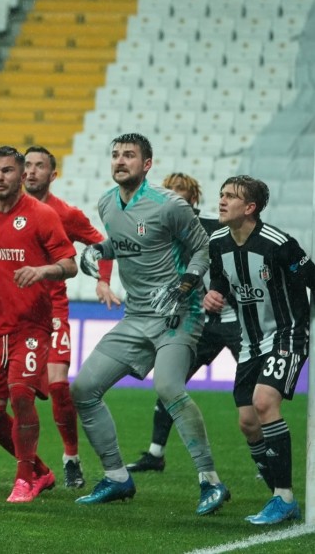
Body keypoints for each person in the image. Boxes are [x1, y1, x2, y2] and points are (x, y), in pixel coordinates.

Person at [73, 133, 229, 515]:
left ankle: (211, 482)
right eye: (115, 155)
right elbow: (125, 244)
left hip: (179, 313)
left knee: (168, 386)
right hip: (137, 316)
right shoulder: (107, 203)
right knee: (83, 388)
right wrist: (96, 252)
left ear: (147, 164)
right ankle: (117, 477)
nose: (120, 161)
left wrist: (186, 284)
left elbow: (202, 247)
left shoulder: (171, 205)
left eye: (129, 155)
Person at [0, 145, 112, 490]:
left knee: (48, 385)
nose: (31, 171)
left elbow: (95, 248)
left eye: (37, 167)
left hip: (45, 313)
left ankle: (65, 461)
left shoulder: (57, 213)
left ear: (50, 174)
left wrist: (102, 280)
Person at [205, 175, 313, 525]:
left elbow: (311, 277)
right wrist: (213, 294)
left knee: (265, 402)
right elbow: (220, 282)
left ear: (249, 208)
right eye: (221, 194)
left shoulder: (279, 244)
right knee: (248, 423)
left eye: (231, 197)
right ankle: (277, 494)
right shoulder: (218, 242)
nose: (221, 201)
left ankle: (283, 498)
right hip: (250, 341)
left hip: (287, 334)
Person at [125, 172, 241, 474]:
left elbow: (239, 266)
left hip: (238, 321)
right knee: (170, 385)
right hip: (203, 324)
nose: (174, 197)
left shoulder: (216, 228)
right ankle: (155, 454)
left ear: (193, 199)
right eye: (169, 192)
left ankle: (268, 457)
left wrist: (221, 291)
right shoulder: (164, 231)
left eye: (181, 193)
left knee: (255, 393)